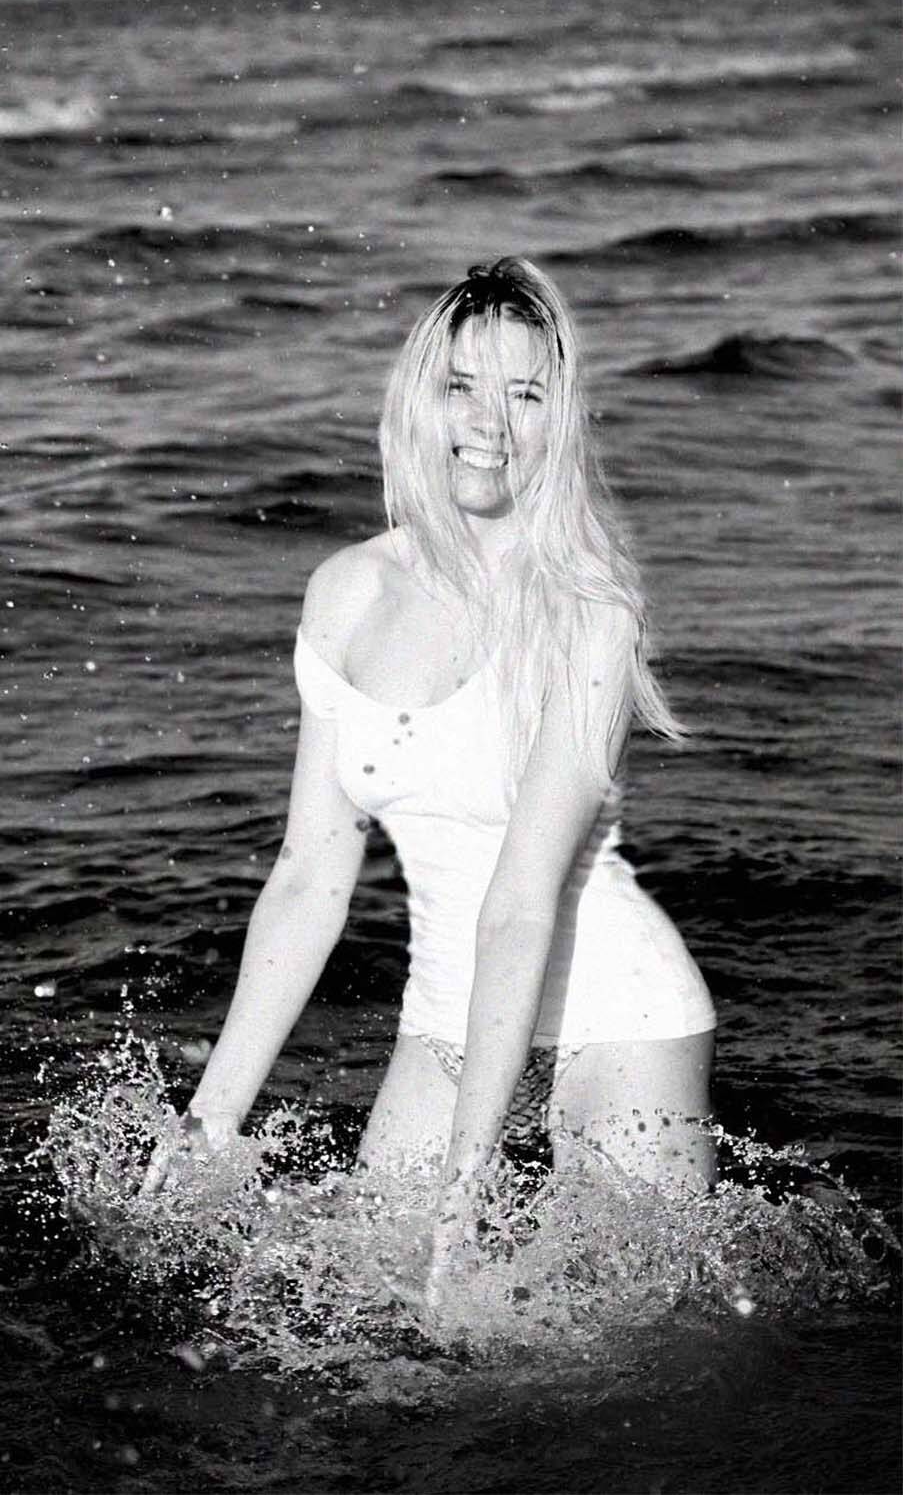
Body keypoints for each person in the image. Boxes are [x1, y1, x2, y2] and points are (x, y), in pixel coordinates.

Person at [143, 256, 716, 1307]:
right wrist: (211, 1118)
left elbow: (521, 899)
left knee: (636, 1351)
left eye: (525, 394)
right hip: (448, 1010)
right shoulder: (347, 591)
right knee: (370, 1315)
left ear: (559, 419)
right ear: (421, 396)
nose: (488, 423)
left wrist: (468, 1175)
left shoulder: (587, 610)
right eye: (461, 386)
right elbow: (310, 873)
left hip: (616, 1015)